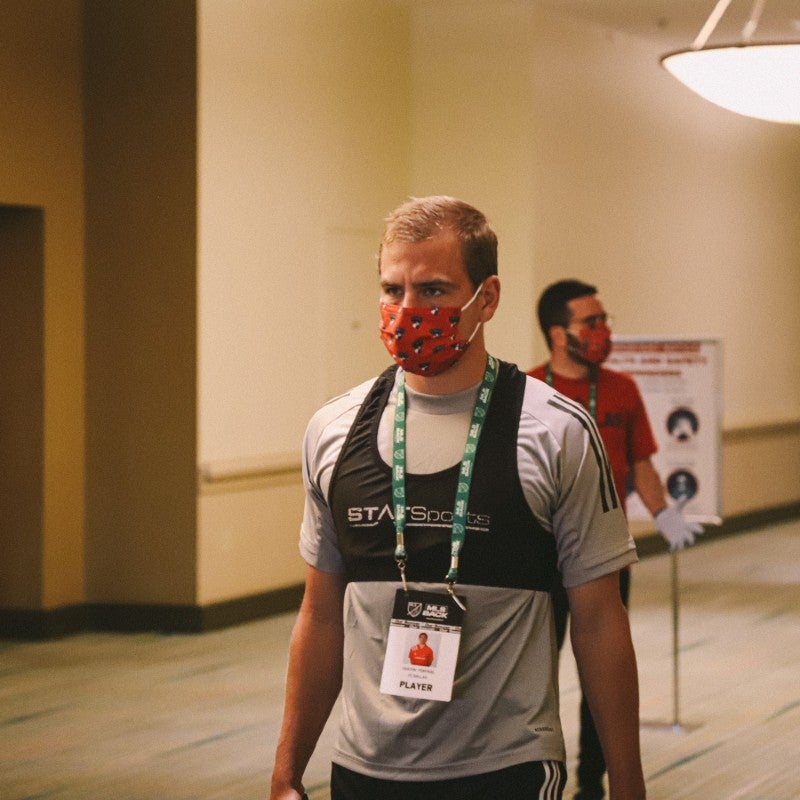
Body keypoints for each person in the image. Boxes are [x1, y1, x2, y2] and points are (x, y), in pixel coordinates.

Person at [270, 198, 646, 800]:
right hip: (364, 770)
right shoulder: (334, 430)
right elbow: (319, 616)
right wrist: (287, 771)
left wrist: (627, 785)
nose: (409, 310)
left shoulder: (555, 431)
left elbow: (600, 622)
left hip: (508, 770)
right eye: (394, 289)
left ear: (487, 299)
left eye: (435, 291)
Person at [529, 278, 703, 800]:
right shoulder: (529, 391)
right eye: (593, 322)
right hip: (538, 563)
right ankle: (539, 771)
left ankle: (590, 779)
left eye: (604, 320)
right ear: (560, 334)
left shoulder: (624, 390)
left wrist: (665, 515)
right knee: (535, 678)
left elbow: (643, 465)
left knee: (600, 678)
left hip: (604, 560)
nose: (605, 331)